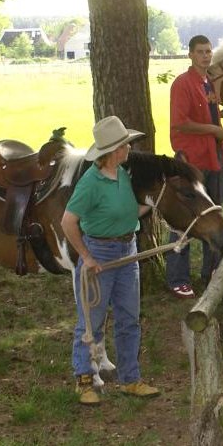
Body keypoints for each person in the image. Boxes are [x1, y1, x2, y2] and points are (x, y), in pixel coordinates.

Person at [61, 115, 160, 406]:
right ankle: (85, 380)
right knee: (91, 322)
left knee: (129, 319)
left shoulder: (123, 174)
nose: (129, 148)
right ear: (111, 151)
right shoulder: (91, 182)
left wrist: (152, 205)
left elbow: (126, 213)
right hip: (100, 256)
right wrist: (87, 257)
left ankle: (130, 380)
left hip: (127, 253)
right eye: (124, 145)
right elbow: (68, 222)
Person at [167, 35, 223, 298]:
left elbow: (202, 113)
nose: (206, 56)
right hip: (194, 161)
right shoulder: (182, 84)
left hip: (214, 157)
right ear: (190, 55)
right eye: (200, 52)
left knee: (215, 212)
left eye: (209, 52)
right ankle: (177, 279)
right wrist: (213, 128)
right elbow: (180, 123)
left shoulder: (208, 82)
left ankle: (213, 273)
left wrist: (219, 115)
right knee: (184, 219)